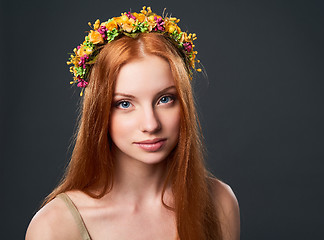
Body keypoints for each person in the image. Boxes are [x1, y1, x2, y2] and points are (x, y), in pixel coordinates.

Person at [26, 6, 240, 240]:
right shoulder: (54, 226)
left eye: (165, 99)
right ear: (99, 113)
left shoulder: (220, 203)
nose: (150, 124)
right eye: (125, 104)